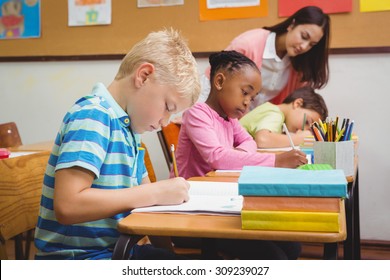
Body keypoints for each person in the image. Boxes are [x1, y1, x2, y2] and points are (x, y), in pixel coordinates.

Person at [34, 28, 200, 260]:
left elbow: (149, 205)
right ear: (143, 76)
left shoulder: (129, 130)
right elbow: (68, 205)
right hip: (77, 259)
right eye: (167, 108)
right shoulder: (94, 115)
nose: (164, 123)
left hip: (117, 251)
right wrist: (154, 192)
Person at [172, 50, 304, 259]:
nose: (247, 102)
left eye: (252, 98)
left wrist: (235, 154)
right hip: (191, 210)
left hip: (219, 204)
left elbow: (249, 142)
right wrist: (276, 160)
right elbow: (217, 157)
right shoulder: (197, 114)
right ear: (219, 81)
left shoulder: (229, 120)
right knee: (274, 257)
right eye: (245, 92)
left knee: (292, 246)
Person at [199, 5, 330, 111]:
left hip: (250, 123)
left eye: (312, 44)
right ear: (292, 25)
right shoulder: (248, 44)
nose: (304, 46)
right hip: (214, 105)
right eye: (304, 36)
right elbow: (217, 83)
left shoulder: (299, 67)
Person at [240, 86, 328, 148]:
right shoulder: (275, 113)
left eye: (308, 129)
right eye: (307, 122)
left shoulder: (274, 112)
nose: (303, 129)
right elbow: (262, 139)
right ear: (297, 104)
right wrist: (300, 138)